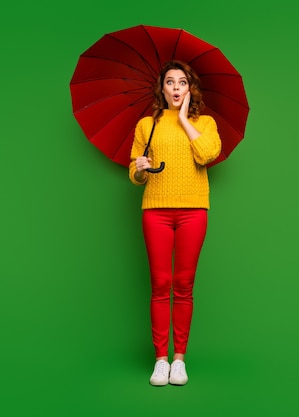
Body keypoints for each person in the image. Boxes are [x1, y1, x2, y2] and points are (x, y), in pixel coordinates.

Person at [129, 60, 221, 386]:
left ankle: (179, 359)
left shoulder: (204, 122)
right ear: (162, 88)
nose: (177, 88)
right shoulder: (147, 125)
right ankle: (160, 360)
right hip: (155, 211)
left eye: (182, 82)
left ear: (190, 88)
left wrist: (183, 119)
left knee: (183, 285)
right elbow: (135, 174)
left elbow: (208, 153)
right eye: (170, 82)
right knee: (159, 285)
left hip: (193, 211)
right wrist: (139, 167)